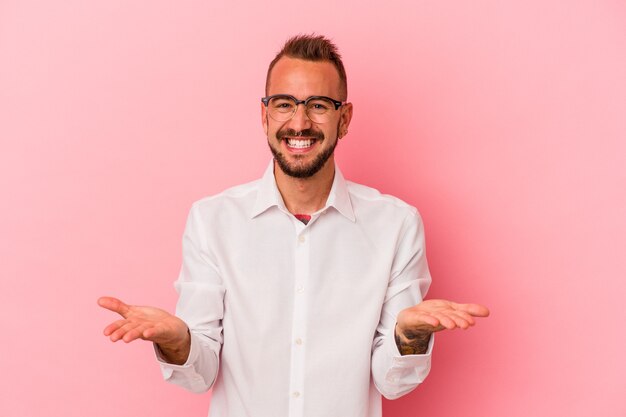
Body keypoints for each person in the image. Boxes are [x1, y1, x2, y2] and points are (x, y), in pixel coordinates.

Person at [99, 34, 489, 417]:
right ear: (264, 115)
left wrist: (409, 335)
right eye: (285, 104)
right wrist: (178, 341)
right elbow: (199, 375)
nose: (299, 123)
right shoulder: (212, 220)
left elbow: (394, 383)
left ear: (345, 118)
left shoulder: (397, 225)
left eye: (318, 105)